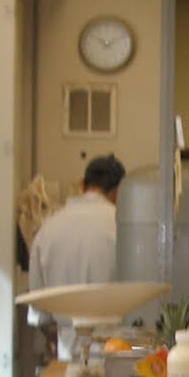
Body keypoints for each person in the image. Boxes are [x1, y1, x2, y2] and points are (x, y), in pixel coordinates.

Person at [27, 154, 125, 359]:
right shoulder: (122, 226)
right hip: (115, 349)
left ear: (82, 184)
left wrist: (58, 338)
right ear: (118, 190)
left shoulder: (48, 228)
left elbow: (39, 310)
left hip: (66, 351)